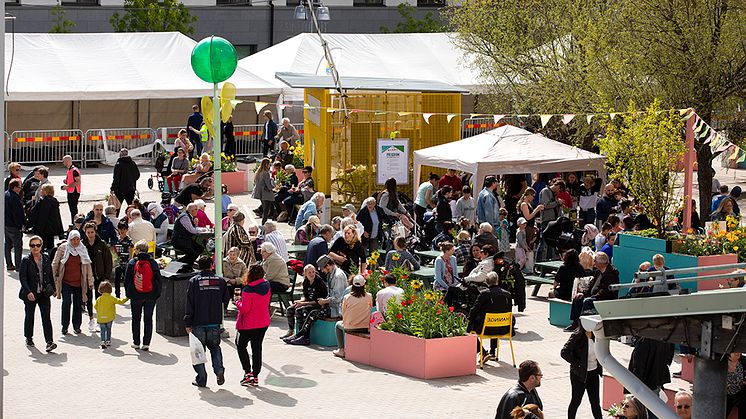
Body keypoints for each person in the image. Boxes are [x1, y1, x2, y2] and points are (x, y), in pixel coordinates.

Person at [184, 255, 225, 386]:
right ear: (211, 265)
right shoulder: (220, 281)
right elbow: (226, 299)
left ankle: (201, 378)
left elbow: (189, 304)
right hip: (214, 322)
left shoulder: (194, 281)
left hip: (198, 322)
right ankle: (219, 371)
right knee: (215, 348)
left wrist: (187, 322)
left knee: (198, 351)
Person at [234, 264, 271, 387]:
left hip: (248, 324)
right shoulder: (267, 285)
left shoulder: (248, 290)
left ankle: (247, 373)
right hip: (263, 322)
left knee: (240, 345)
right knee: (257, 348)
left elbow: (245, 309)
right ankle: (255, 376)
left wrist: (237, 302)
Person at [19, 235, 57, 352]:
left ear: (41, 246)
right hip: (31, 294)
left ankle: (49, 341)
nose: (35, 248)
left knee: (46, 317)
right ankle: (29, 337)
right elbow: (23, 278)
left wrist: (54, 289)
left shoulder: (45, 258)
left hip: (44, 294)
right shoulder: (26, 260)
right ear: (29, 247)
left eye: (38, 245)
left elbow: (50, 274)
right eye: (32, 245)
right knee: (29, 316)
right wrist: (28, 292)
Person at [52, 230, 94, 335]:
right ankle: (65, 326)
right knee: (66, 303)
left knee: (78, 304)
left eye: (77, 239)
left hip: (79, 282)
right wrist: (52, 280)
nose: (75, 242)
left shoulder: (82, 248)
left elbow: (87, 265)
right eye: (73, 239)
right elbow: (55, 263)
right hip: (66, 281)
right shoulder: (63, 248)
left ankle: (77, 326)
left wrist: (90, 281)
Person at [567, 252, 619, 331]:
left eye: (595, 261)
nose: (593, 263)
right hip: (595, 296)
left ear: (600, 263)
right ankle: (575, 323)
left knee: (587, 301)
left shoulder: (611, 274)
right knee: (578, 298)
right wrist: (583, 293)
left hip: (604, 298)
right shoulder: (598, 272)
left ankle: (582, 326)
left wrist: (592, 297)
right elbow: (591, 286)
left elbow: (605, 292)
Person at [125, 241, 162, 350]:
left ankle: (136, 342)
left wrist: (129, 293)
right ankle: (146, 343)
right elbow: (158, 280)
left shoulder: (132, 262)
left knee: (136, 319)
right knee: (148, 319)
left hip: (136, 295)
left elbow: (127, 280)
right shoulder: (153, 263)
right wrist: (156, 293)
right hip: (150, 296)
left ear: (138, 250)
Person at [468, 271, 512, 362]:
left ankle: (483, 352)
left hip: (487, 329)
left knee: (468, 330)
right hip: (504, 328)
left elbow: (474, 310)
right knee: (496, 317)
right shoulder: (508, 294)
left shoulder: (484, 294)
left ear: (486, 282)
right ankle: (492, 352)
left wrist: (469, 319)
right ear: (497, 280)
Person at [561, 325, 603, 419]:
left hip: (593, 374)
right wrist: (577, 363)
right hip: (579, 375)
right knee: (576, 401)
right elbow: (564, 352)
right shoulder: (577, 335)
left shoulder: (597, 335)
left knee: (595, 403)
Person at [282, 264, 329, 345]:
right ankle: (291, 331)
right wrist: (300, 302)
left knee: (300, 311)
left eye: (313, 272)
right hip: (308, 302)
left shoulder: (319, 282)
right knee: (290, 309)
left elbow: (318, 301)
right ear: (305, 274)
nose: (312, 274)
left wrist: (303, 304)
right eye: (309, 272)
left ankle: (303, 336)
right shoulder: (306, 282)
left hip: (318, 304)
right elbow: (306, 297)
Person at [82, 221, 113, 332]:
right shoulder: (82, 244)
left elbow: (108, 261)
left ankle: (100, 320)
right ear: (85, 232)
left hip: (100, 276)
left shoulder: (102, 244)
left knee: (100, 299)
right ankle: (91, 319)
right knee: (88, 298)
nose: (90, 234)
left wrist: (106, 277)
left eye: (92, 232)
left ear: (95, 232)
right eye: (88, 232)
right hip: (87, 276)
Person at [333, 275, 372, 358]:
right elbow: (370, 308)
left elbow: (343, 313)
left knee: (337, 325)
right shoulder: (369, 296)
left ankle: (341, 350)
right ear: (364, 285)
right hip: (365, 327)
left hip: (350, 327)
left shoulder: (347, 297)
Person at [94, 281, 128, 349]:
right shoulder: (111, 298)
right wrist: (127, 297)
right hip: (109, 317)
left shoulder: (99, 299)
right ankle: (108, 341)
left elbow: (95, 306)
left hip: (101, 318)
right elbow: (120, 301)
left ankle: (103, 341)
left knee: (102, 330)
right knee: (108, 329)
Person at [31, 184, 63, 255]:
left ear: (46, 191)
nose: (41, 191)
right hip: (51, 229)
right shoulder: (54, 201)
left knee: (42, 248)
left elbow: (42, 217)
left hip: (44, 230)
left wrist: (38, 230)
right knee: (50, 246)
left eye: (42, 190)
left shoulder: (44, 202)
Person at [537, 179, 563, 262]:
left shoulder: (554, 194)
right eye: (559, 189)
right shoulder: (545, 191)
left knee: (551, 243)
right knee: (543, 243)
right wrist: (557, 202)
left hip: (553, 220)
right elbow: (546, 205)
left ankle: (549, 262)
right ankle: (539, 262)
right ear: (557, 186)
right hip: (546, 220)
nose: (559, 191)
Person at [172, 203, 205, 268]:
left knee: (200, 249)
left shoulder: (189, 216)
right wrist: (202, 230)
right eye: (196, 209)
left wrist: (195, 224)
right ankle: (178, 265)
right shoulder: (185, 217)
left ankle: (188, 264)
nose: (197, 211)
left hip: (185, 239)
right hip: (179, 240)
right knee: (192, 254)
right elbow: (192, 230)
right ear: (192, 211)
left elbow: (192, 228)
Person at [5, 178, 24, 271]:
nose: (20, 189)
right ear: (15, 188)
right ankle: (18, 266)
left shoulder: (5, 195)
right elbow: (18, 214)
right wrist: (20, 226)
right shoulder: (15, 198)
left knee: (7, 245)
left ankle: (9, 264)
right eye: (19, 187)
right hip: (14, 226)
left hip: (6, 224)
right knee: (17, 246)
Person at [222, 247, 248, 313]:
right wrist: (228, 280)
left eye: (234, 255)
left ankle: (243, 308)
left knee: (245, 288)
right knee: (227, 289)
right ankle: (224, 309)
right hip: (226, 282)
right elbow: (219, 274)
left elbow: (245, 276)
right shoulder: (223, 262)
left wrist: (236, 280)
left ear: (237, 255)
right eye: (230, 254)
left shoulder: (242, 264)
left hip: (238, 283)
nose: (232, 256)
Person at [113, 221, 133, 299]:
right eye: (121, 229)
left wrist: (130, 261)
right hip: (118, 262)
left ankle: (127, 294)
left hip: (126, 262)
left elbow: (131, 251)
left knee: (126, 280)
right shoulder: (116, 239)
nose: (122, 230)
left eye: (124, 229)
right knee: (117, 279)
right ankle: (117, 294)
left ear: (127, 229)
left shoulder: (129, 240)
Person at [252, 158, 275, 224]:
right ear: (267, 164)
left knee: (265, 209)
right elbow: (269, 185)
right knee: (266, 210)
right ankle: (263, 224)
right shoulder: (265, 173)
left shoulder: (258, 172)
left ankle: (263, 224)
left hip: (260, 193)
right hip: (266, 193)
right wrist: (273, 184)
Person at [61, 155, 82, 220]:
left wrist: (67, 186)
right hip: (70, 191)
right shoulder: (70, 170)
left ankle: (75, 223)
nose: (63, 163)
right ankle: (73, 223)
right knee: (72, 209)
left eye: (63, 161)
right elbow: (72, 180)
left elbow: (78, 182)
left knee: (73, 210)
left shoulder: (74, 170)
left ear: (67, 161)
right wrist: (66, 181)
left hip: (74, 192)